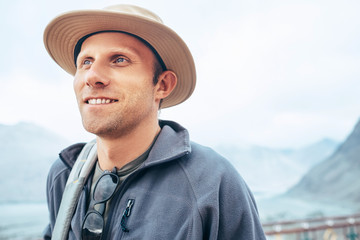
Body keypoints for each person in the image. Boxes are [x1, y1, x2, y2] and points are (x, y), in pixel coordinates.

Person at [43, 4, 266, 240]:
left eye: (119, 60)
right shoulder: (64, 175)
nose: (92, 76)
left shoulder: (212, 183)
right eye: (86, 62)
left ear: (162, 85)